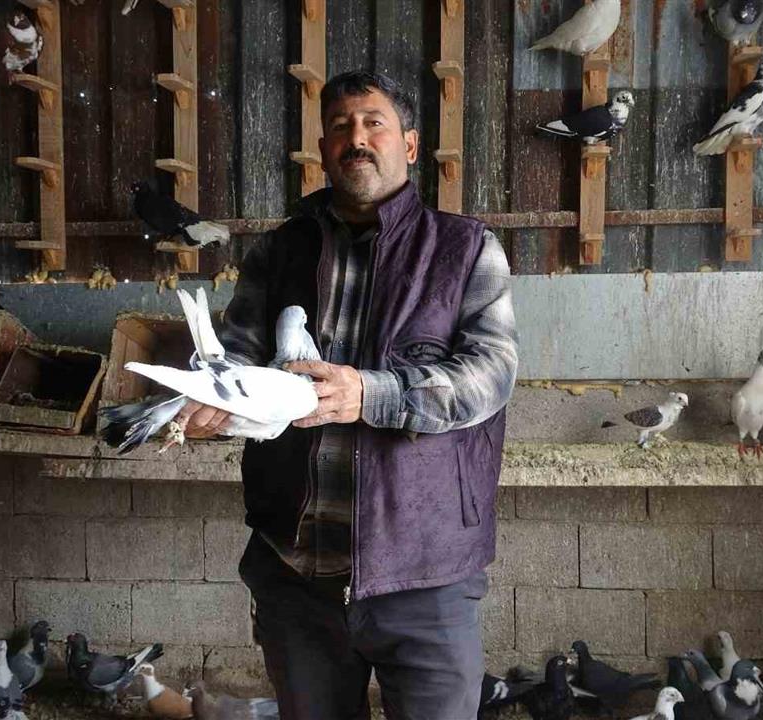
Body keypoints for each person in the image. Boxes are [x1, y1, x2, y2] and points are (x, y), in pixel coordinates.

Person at [173, 70, 519, 719]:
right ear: (324, 149)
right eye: (340, 127)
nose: (356, 138)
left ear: (409, 145)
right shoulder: (280, 251)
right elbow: (237, 352)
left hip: (424, 575)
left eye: (372, 123)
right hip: (297, 572)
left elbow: (491, 374)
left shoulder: (466, 249)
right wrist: (213, 401)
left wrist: (372, 394)